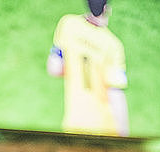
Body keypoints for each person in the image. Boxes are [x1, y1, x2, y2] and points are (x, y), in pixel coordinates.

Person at [47, 0, 129, 136]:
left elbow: (54, 68)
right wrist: (124, 135)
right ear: (107, 8)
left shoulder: (68, 24)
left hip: (74, 124)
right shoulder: (113, 45)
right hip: (105, 131)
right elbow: (115, 93)